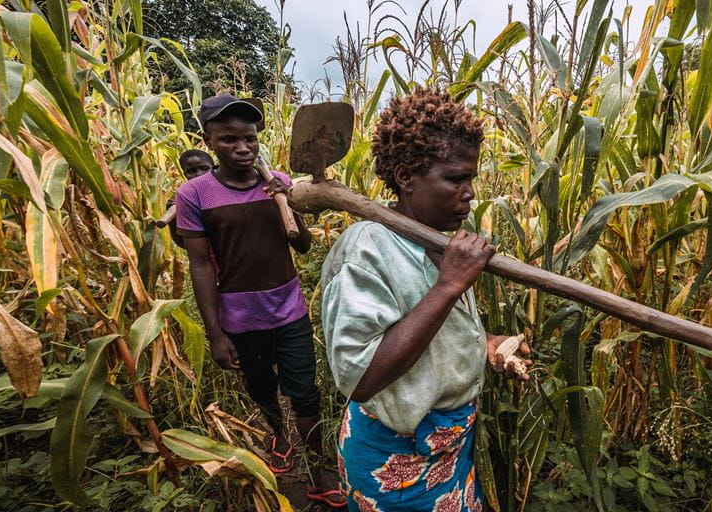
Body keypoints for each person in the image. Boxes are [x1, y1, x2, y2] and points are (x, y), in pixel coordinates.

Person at [321, 87, 531, 511]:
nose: (469, 192)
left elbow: (431, 332)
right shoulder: (367, 250)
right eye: (455, 179)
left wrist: (487, 345)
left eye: (470, 178)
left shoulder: (441, 242)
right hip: (394, 459)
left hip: (450, 446)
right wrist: (448, 286)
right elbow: (359, 378)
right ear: (405, 177)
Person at [175, 94, 345, 508]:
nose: (243, 148)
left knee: (306, 392)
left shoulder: (277, 183)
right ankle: (280, 436)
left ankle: (320, 467)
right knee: (262, 387)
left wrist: (286, 201)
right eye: (229, 139)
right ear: (209, 140)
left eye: (249, 138)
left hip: (289, 310)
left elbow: (302, 246)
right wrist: (215, 333)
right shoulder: (195, 194)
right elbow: (201, 266)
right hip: (239, 319)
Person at [167, 149, 214, 249]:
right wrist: (173, 220)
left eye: (204, 168)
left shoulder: (226, 189)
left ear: (213, 169)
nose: (199, 174)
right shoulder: (185, 199)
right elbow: (184, 244)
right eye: (191, 171)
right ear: (185, 175)